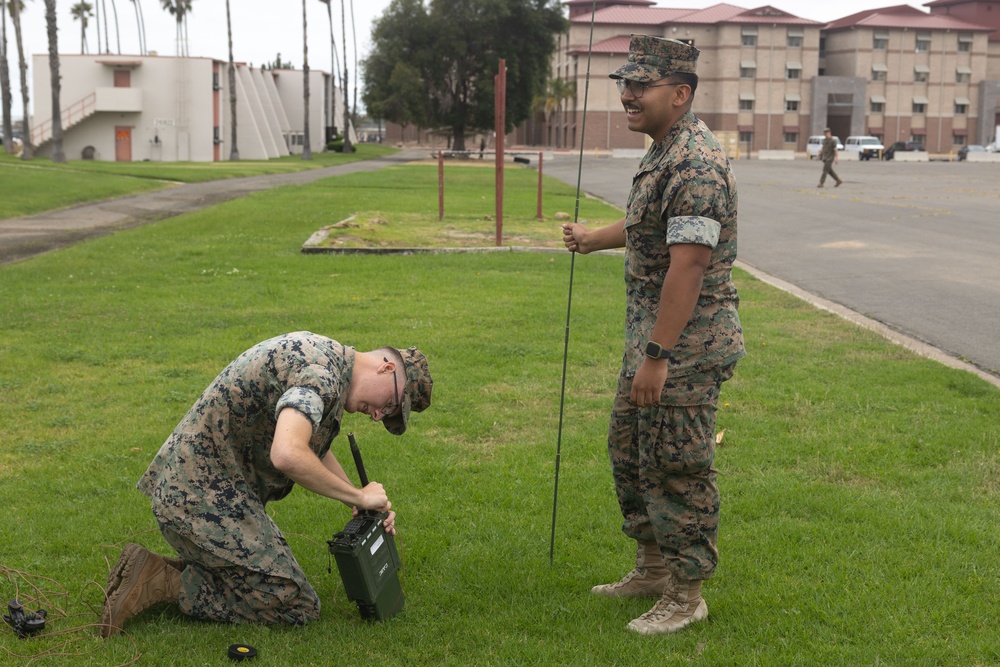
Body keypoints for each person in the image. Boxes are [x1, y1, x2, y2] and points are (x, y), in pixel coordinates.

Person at [561, 35, 744, 636]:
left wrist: (658, 357)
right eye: (626, 82)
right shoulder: (664, 151)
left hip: (684, 346)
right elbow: (649, 228)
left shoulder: (695, 162)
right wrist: (592, 238)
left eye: (642, 85)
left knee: (677, 463)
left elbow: (688, 265)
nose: (629, 93)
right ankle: (653, 566)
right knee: (630, 450)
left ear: (681, 93)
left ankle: (687, 595)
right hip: (653, 341)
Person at [99, 331, 432, 637]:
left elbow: (313, 445)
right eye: (389, 404)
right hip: (197, 500)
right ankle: (163, 582)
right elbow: (288, 453)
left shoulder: (328, 359)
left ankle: (176, 568)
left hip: (201, 491)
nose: (378, 415)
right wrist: (359, 492)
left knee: (271, 577)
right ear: (386, 368)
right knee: (295, 604)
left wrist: (357, 503)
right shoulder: (320, 375)